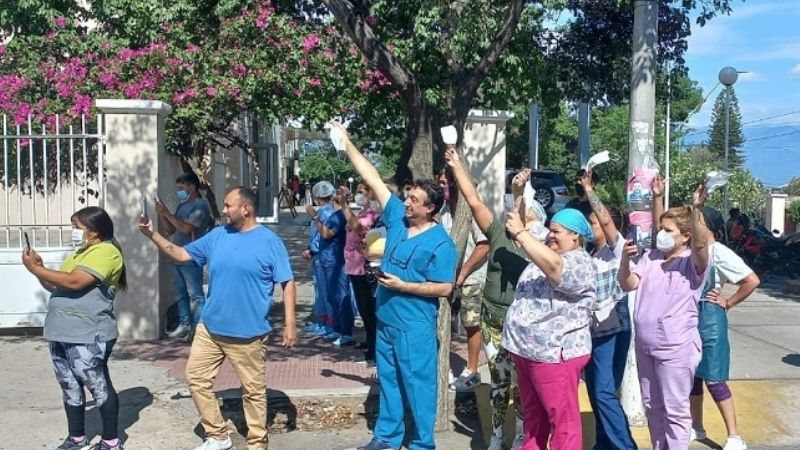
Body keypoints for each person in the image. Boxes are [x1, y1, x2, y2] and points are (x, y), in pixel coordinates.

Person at [138, 187, 297, 450]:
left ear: (245, 208)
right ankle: (218, 435)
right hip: (210, 328)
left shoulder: (269, 241)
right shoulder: (217, 236)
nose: (223, 210)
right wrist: (151, 234)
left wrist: (290, 325)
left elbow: (288, 283)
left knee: (253, 392)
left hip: (248, 334)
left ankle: (257, 443)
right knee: (196, 378)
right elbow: (182, 254)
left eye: (228, 205)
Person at [331, 122, 456, 450]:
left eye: (414, 200)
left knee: (418, 385)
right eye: (408, 196)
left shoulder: (441, 244)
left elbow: (444, 288)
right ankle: (386, 437)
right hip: (387, 321)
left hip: (414, 327)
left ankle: (422, 444)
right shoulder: (398, 219)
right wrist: (347, 143)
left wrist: (404, 285)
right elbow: (372, 176)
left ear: (430, 208)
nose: (407, 202)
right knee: (389, 381)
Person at [445, 150, 544, 450]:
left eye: (528, 217)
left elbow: (524, 216)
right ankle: (499, 434)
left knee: (521, 384)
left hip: (521, 328)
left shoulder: (539, 248)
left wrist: (518, 193)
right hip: (492, 321)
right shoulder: (498, 233)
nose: (518, 218)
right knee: (499, 381)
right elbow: (473, 200)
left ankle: (521, 435)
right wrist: (458, 165)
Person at [22, 206, 127, 450]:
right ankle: (77, 438)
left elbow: (75, 282)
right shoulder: (81, 253)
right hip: (61, 331)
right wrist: (40, 268)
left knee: (98, 385)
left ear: (93, 231)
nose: (73, 232)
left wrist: (35, 268)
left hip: (88, 333)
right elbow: (59, 286)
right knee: (69, 384)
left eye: (76, 227)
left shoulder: (107, 252)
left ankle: (111, 442)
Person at [618, 180, 711, 450]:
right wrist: (625, 259)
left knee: (675, 411)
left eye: (669, 231)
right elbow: (627, 283)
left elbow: (702, 246)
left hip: (675, 349)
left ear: (685, 236)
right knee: (653, 407)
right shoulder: (652, 258)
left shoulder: (693, 264)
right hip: (645, 346)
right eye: (661, 229)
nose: (662, 234)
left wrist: (696, 210)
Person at [502, 206, 596, 450]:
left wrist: (521, 233)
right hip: (526, 351)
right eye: (550, 230)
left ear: (575, 235)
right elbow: (527, 221)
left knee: (562, 419)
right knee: (534, 416)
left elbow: (556, 268)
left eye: (557, 231)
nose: (550, 235)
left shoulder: (580, 262)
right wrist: (518, 190)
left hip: (555, 354)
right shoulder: (548, 247)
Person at [681, 203, 760, 450]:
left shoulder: (721, 252)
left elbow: (752, 280)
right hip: (691, 317)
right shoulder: (690, 251)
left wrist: (728, 302)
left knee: (714, 379)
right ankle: (697, 427)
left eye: (698, 221)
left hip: (711, 319)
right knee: (693, 378)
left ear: (709, 227)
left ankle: (734, 436)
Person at [577, 170, 637, 450]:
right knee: (597, 391)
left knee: (602, 391)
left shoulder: (617, 249)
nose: (591, 227)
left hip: (612, 323)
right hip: (593, 329)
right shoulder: (591, 253)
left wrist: (590, 191)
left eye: (595, 222)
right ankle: (604, 444)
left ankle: (624, 446)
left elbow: (605, 220)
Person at [437, 168, 490, 392]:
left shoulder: (472, 210)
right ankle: (444, 368)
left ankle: (472, 369)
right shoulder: (443, 211)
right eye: (439, 183)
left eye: (445, 183)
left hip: (472, 277)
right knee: (443, 321)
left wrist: (463, 272)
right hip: (448, 278)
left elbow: (484, 245)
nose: (442, 187)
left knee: (471, 323)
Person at [155, 171, 212, 341]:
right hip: (176, 254)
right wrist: (162, 214)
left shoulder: (200, 206)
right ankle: (185, 325)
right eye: (178, 187)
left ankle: (199, 328)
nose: (179, 190)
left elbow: (187, 228)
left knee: (195, 294)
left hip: (191, 256)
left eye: (182, 187)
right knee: (180, 293)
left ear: (192, 187)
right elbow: (171, 230)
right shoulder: (182, 206)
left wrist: (167, 214)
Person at [341, 182, 381, 361]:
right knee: (362, 308)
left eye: (362, 192)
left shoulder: (373, 215)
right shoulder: (361, 213)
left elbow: (358, 228)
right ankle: (368, 339)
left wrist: (344, 205)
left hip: (363, 268)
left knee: (368, 308)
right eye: (358, 192)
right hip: (352, 266)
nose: (359, 195)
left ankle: (374, 347)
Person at [312, 184, 354, 346]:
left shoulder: (338, 215)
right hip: (327, 259)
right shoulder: (334, 214)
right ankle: (336, 327)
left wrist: (313, 218)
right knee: (331, 296)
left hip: (336, 261)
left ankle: (346, 331)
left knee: (341, 296)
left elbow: (326, 233)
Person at [302, 182, 337, 337]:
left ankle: (330, 323)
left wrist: (313, 216)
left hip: (325, 256)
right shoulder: (326, 211)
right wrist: (311, 249)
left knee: (326, 291)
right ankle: (323, 321)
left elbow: (324, 234)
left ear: (317, 197)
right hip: (318, 255)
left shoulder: (325, 213)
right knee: (320, 291)